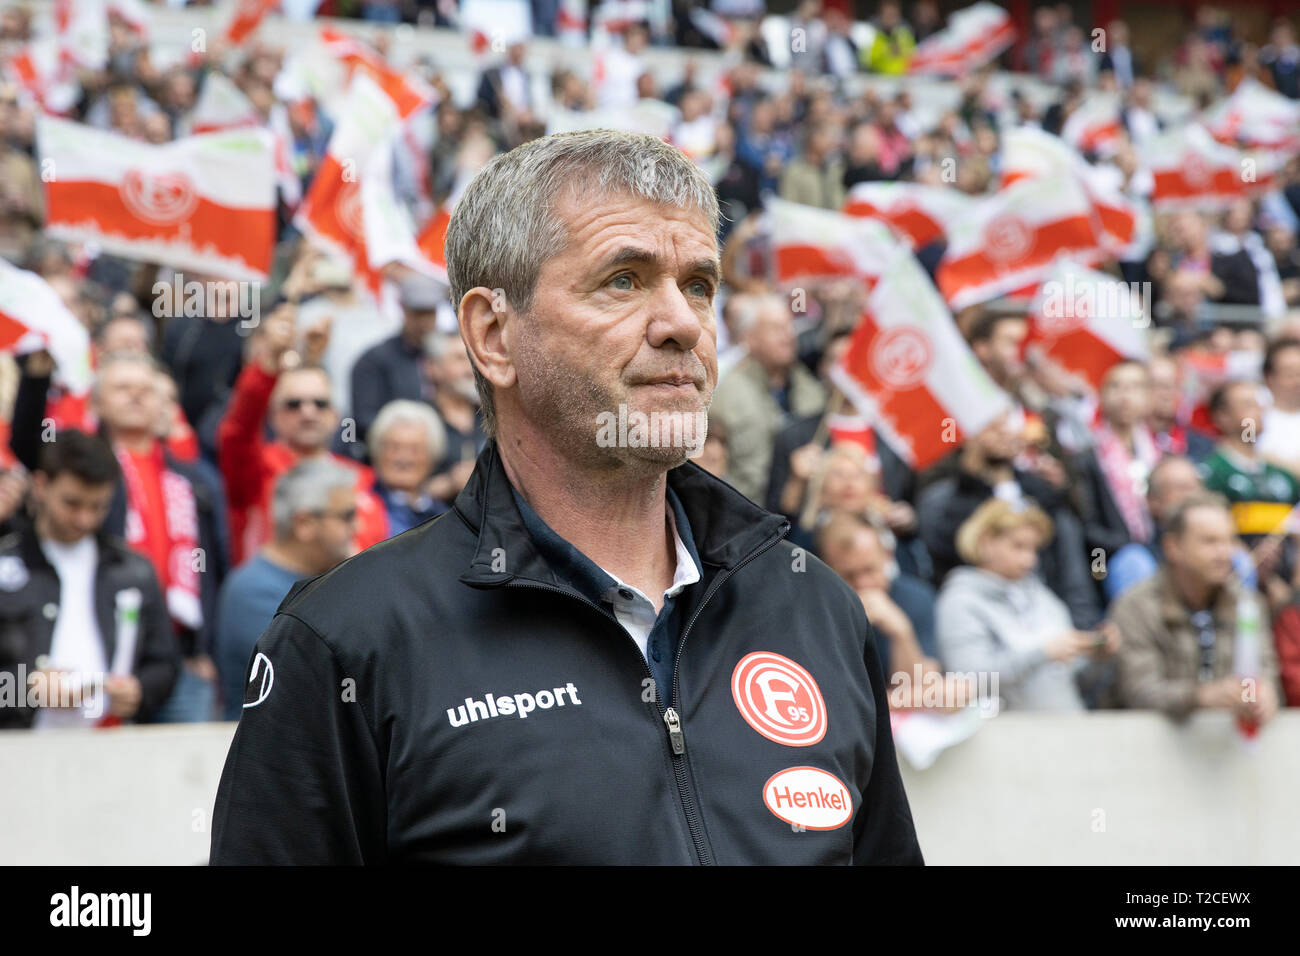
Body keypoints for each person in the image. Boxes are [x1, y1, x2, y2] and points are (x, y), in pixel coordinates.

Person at [211, 129, 921, 865]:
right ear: (493, 336)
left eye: (700, 285)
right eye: (624, 279)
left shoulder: (817, 609)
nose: (683, 323)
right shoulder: (345, 642)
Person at [0, 430, 179, 729]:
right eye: (72, 503)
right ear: (41, 485)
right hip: (17, 749)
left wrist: (140, 692)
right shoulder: (7, 561)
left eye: (97, 506)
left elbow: (165, 663)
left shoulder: (132, 569)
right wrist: (24, 689)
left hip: (108, 745)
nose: (84, 518)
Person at [217, 305, 388, 565]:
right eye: (293, 404)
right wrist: (268, 364)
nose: (308, 413)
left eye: (319, 404)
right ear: (274, 416)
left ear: (335, 416)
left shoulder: (360, 483)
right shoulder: (255, 472)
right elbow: (238, 431)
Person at [935, 499, 1121, 712]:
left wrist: (1097, 656)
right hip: (1005, 738)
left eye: (1034, 549)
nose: (1029, 560)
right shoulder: (959, 602)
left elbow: (1076, 680)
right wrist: (1042, 654)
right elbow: (967, 682)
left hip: (1067, 731)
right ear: (985, 542)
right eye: (1018, 546)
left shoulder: (1043, 597)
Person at [1111, 494, 1282, 725]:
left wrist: (1262, 695)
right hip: (1146, 751)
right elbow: (1138, 690)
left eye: (1230, 541)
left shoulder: (1247, 604)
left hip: (1229, 749)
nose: (1225, 553)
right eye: (1210, 542)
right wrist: (1201, 697)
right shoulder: (1136, 606)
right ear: (1172, 547)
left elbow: (1260, 670)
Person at [214, 459, 358, 721]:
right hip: (266, 749)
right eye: (346, 516)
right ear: (304, 524)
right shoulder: (252, 591)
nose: (355, 528)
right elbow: (317, 678)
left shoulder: (325, 577)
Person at [709, 293, 827, 503]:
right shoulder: (727, 394)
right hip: (750, 510)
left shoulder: (812, 389)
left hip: (801, 513)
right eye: (775, 328)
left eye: (790, 326)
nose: (788, 335)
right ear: (749, 338)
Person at [349, 274, 441, 448]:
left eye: (429, 313)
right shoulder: (375, 360)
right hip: (394, 450)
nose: (424, 322)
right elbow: (363, 420)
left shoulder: (445, 354)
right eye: (417, 313)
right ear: (403, 308)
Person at [369, 399, 449, 535]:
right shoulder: (361, 511)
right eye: (394, 448)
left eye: (415, 450)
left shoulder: (447, 518)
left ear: (432, 456)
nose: (404, 459)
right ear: (377, 451)